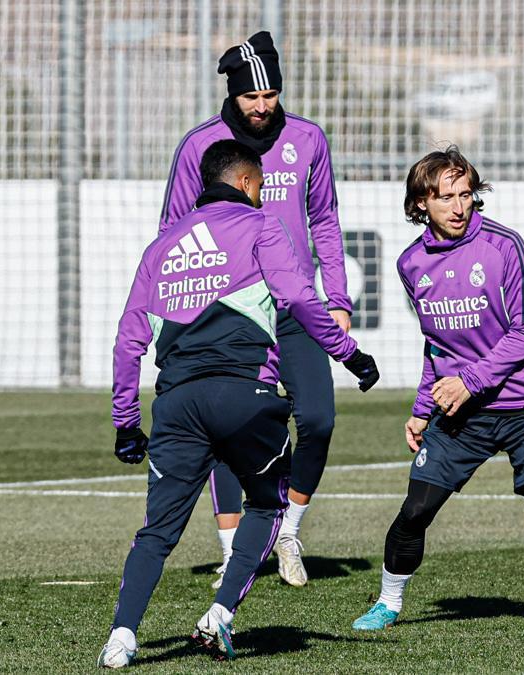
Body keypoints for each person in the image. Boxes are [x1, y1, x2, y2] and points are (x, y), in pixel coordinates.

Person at [98, 140, 378, 668]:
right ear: (250, 184)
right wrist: (349, 353)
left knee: (157, 531)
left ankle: (121, 637)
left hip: (176, 402)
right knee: (270, 502)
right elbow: (297, 297)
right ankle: (221, 614)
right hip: (244, 394)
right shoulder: (261, 226)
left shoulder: (161, 247)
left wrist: (125, 423)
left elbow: (127, 340)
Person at [350, 147, 524, 631]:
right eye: (445, 197)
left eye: (466, 194)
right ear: (420, 206)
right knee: (414, 511)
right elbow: (436, 343)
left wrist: (470, 382)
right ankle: (388, 602)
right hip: (461, 413)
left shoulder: (504, 246)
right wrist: (420, 408)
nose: (458, 206)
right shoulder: (411, 264)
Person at [159, 32, 351, 588]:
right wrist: (181, 306)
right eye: (252, 97)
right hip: (228, 313)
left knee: (317, 418)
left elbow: (327, 223)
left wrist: (335, 300)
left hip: (294, 306)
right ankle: (231, 548)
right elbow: (173, 232)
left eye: (271, 94)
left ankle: (287, 531)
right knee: (228, 423)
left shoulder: (308, 139)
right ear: (232, 94)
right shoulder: (201, 147)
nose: (263, 106)